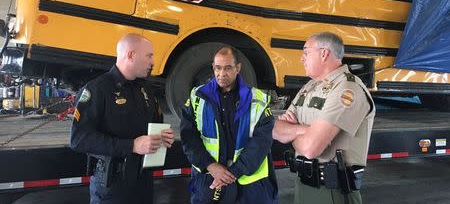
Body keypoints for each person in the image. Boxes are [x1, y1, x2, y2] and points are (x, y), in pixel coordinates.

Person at [70, 33, 175, 204]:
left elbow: (156, 123)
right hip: (113, 185)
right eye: (149, 55)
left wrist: (162, 137)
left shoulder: (145, 89)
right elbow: (79, 139)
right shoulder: (97, 89)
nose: (153, 62)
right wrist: (132, 145)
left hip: (143, 182)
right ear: (131, 54)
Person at [273, 32, 375, 204]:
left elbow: (310, 149)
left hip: (332, 191)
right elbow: (276, 130)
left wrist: (295, 133)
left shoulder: (347, 89)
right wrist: (303, 130)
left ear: (324, 53)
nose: (301, 58)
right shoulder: (309, 87)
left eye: (306, 52)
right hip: (303, 184)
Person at [180, 46, 278, 204]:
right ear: (213, 67)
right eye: (217, 68)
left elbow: (261, 143)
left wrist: (232, 173)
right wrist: (210, 166)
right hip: (209, 179)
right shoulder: (197, 97)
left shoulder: (258, 100)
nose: (221, 74)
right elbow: (189, 137)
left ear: (238, 68)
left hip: (249, 186)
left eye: (228, 68)